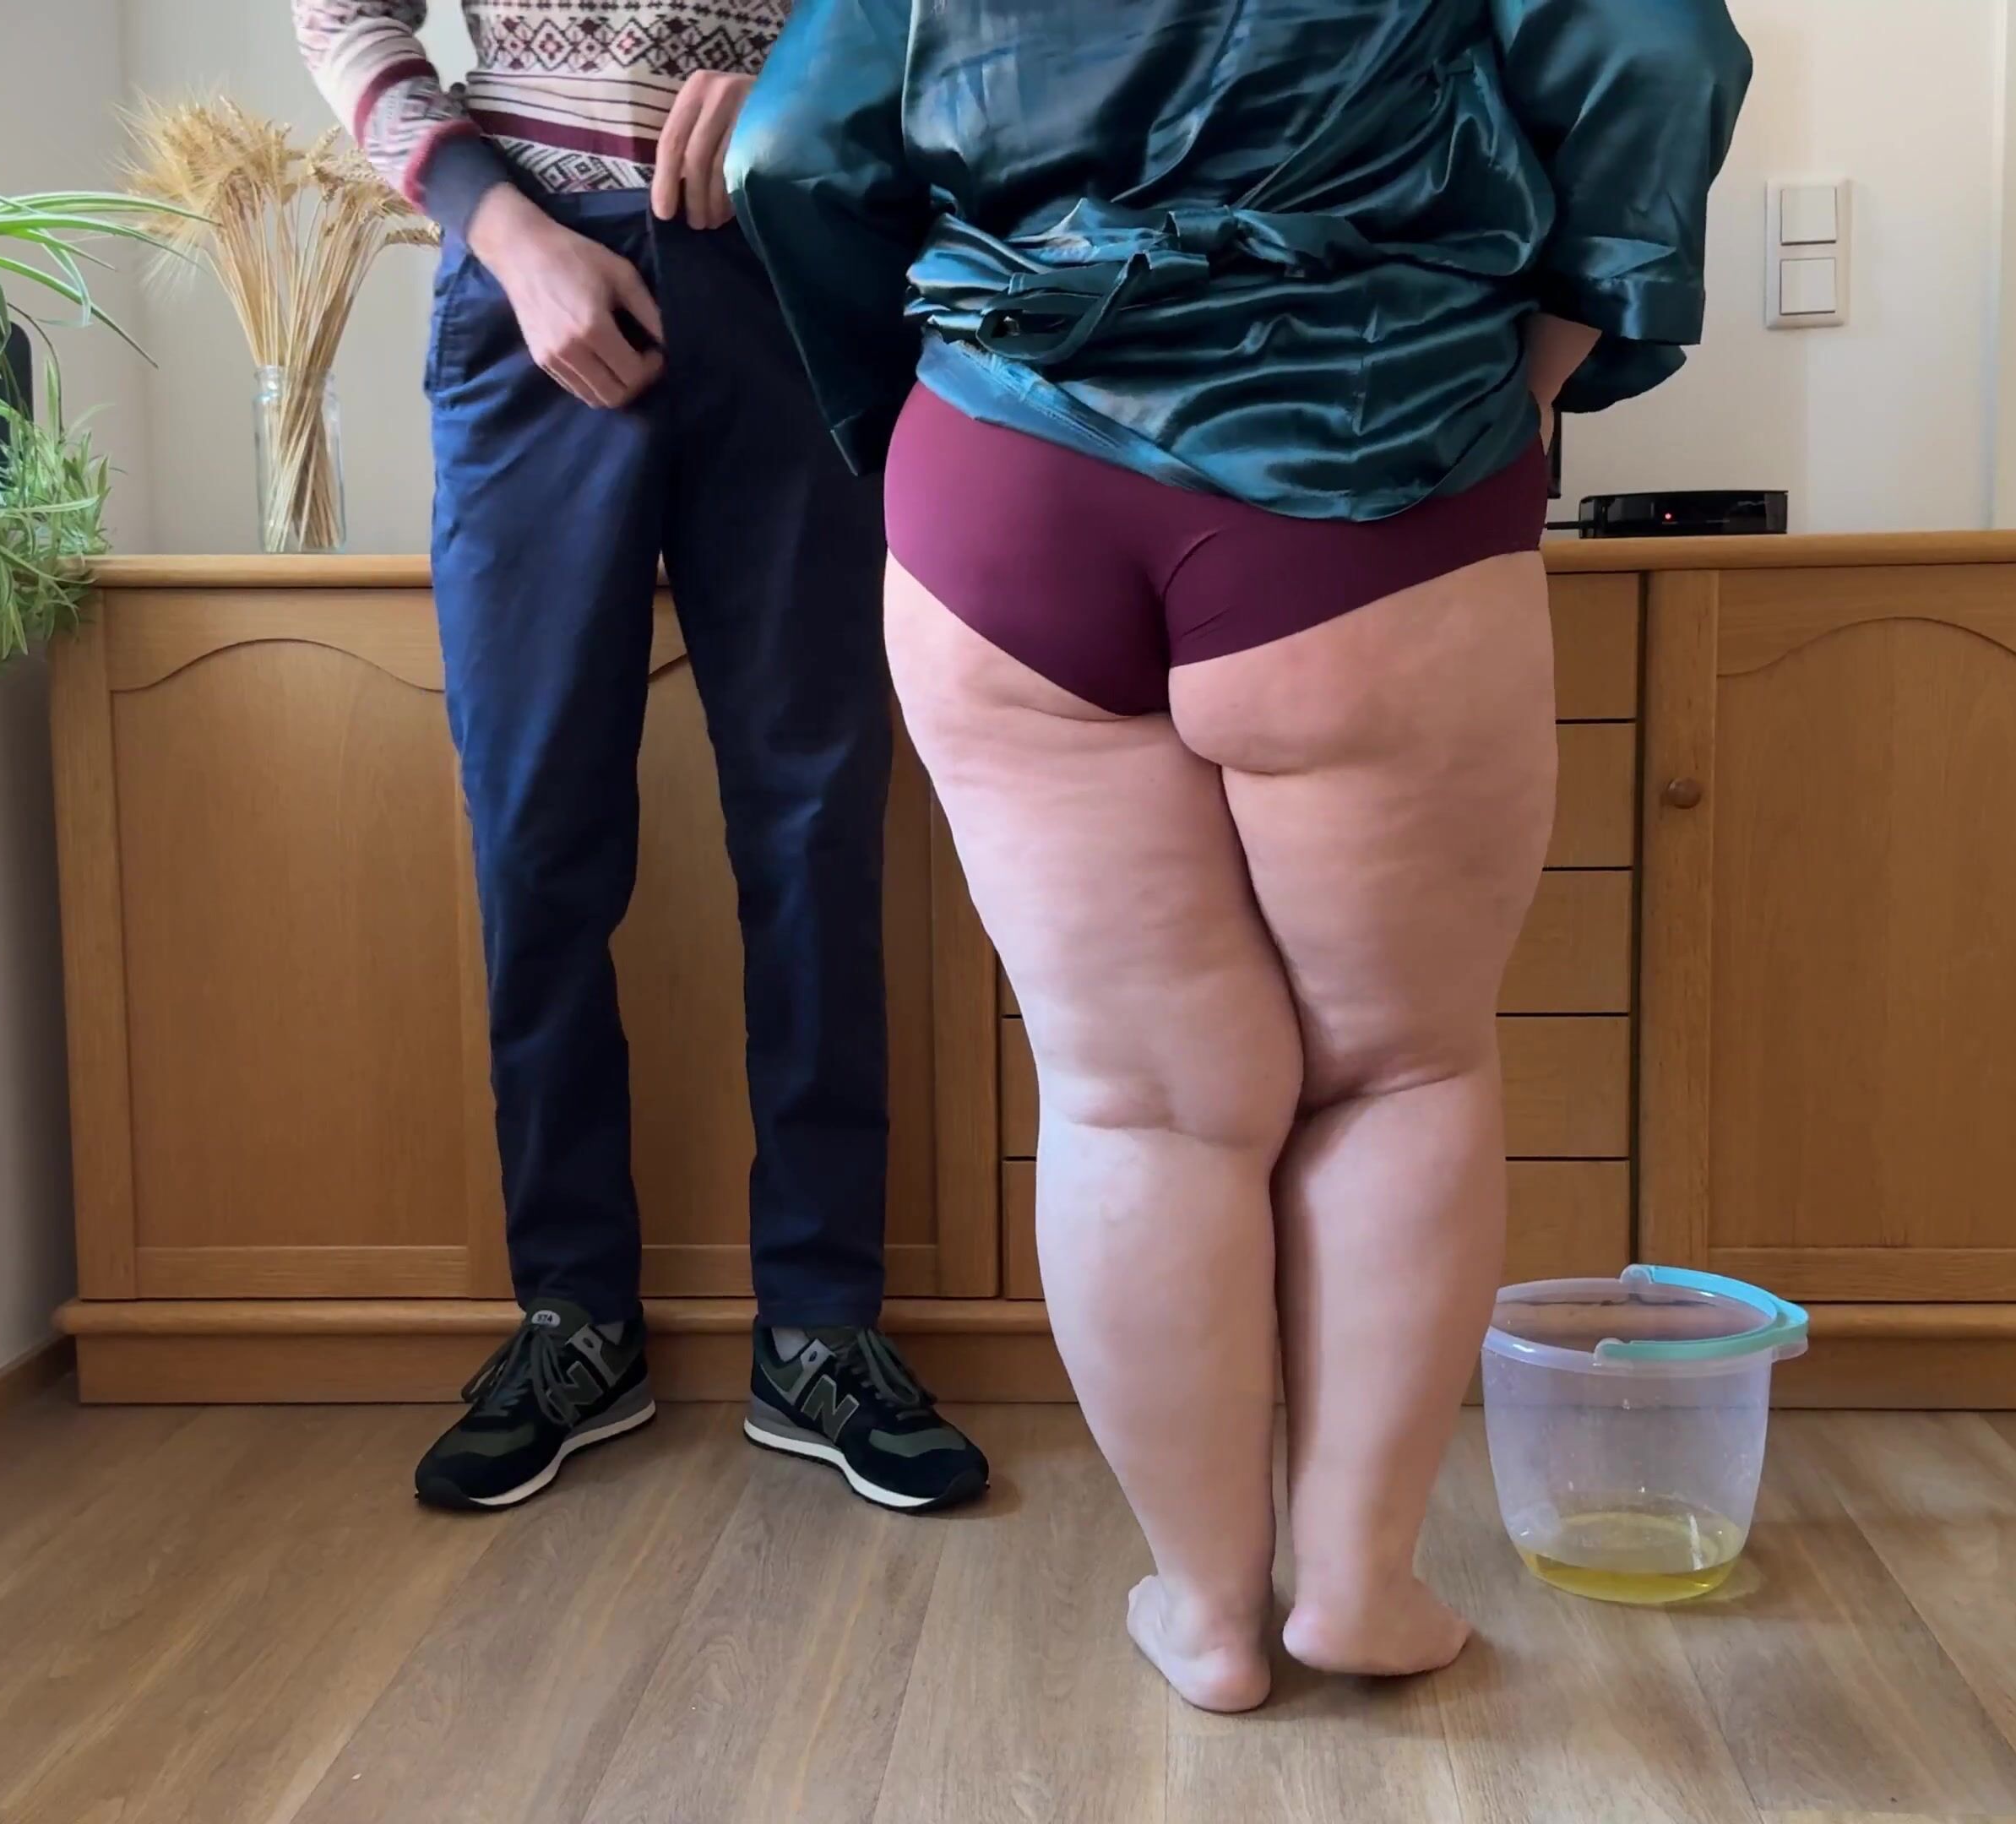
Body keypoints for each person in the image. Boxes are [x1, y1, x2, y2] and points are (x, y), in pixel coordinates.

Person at [731, 0, 1747, 1707]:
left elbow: (788, 150)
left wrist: (947, 378)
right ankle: (1360, 1591)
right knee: (1399, 1070)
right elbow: (1657, 55)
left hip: (1002, 477)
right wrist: (1552, 353)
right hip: (1372, 447)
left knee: (1135, 1100)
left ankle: (1207, 1617)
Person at [294, 2, 989, 1515]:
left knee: (815, 828)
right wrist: (508, 236)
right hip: (529, 286)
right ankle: (575, 1321)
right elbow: (342, 15)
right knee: (535, 831)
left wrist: (807, 85)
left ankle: (821, 1325)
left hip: (796, 272)